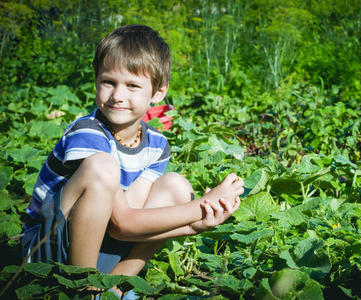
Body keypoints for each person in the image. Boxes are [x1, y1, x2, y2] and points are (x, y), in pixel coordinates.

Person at [21, 24, 244, 289]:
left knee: (177, 186)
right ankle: (83, 289)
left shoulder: (157, 145)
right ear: (96, 80)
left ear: (158, 93)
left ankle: (116, 284)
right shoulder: (87, 133)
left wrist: (195, 225)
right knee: (103, 167)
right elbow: (122, 223)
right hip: (48, 252)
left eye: (132, 85)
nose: (118, 95)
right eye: (108, 82)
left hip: (101, 247)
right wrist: (202, 205)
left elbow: (127, 222)